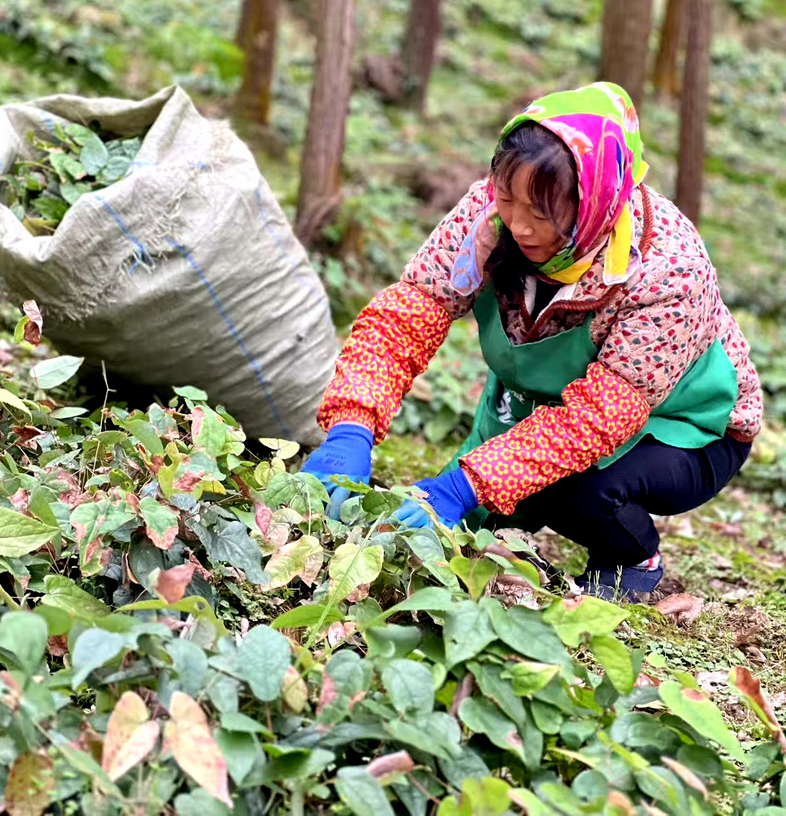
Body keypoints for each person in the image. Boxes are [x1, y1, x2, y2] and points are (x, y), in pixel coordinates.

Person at [302, 83, 762, 600]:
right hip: (545, 401)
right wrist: (351, 427)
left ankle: (633, 558)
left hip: (688, 425)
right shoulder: (487, 216)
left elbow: (596, 419)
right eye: (507, 198)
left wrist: (466, 484)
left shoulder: (667, 270)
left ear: (593, 202)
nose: (518, 225)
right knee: (474, 519)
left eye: (542, 213)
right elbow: (409, 314)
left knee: (569, 489)